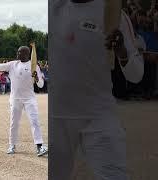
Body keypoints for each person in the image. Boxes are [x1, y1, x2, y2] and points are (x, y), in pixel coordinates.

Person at [50, 0, 144, 179]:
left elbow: (136, 74)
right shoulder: (52, 8)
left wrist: (122, 53)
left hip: (99, 117)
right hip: (57, 118)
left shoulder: (115, 15)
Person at [0, 45, 48, 157]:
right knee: (14, 123)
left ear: (27, 54)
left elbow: (41, 85)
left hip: (29, 99)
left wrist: (37, 78)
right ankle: (12, 145)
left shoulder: (34, 66)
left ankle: (39, 146)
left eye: (20, 52)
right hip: (15, 98)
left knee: (34, 121)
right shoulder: (13, 64)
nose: (17, 54)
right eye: (18, 52)